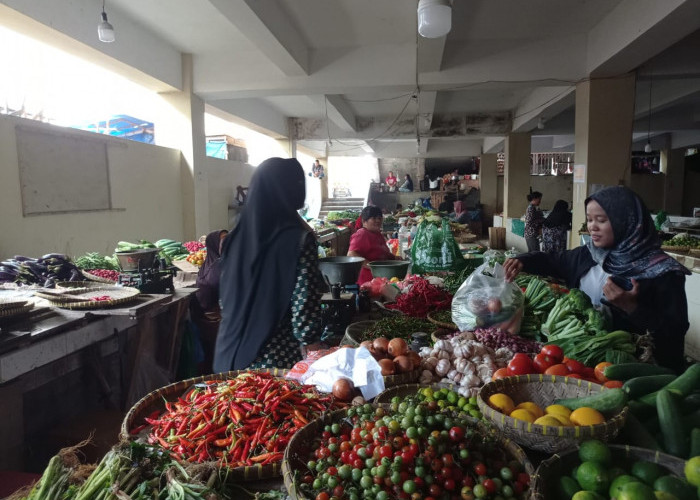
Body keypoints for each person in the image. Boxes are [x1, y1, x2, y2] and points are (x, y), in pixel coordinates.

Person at [503, 186, 690, 370]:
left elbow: (673, 333)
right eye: (589, 219)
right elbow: (552, 260)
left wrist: (632, 308)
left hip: (636, 372)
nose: (592, 226)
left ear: (625, 221)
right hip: (584, 364)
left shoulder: (663, 272)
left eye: (601, 220)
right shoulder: (590, 254)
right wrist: (522, 260)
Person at [214, 157, 325, 371]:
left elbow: (224, 302)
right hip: (273, 367)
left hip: (226, 359)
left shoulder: (234, 240)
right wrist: (316, 355)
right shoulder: (299, 242)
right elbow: (304, 311)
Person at [190, 229, 228, 373]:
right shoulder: (218, 268)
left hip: (204, 317)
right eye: (223, 241)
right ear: (214, 245)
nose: (226, 244)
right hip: (212, 319)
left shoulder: (210, 263)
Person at [347, 205, 397, 285]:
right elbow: (351, 254)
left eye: (380, 218)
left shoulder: (378, 234)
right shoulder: (362, 234)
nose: (378, 221)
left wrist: (395, 258)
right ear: (364, 221)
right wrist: (373, 267)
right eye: (374, 218)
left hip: (381, 279)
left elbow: (383, 253)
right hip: (368, 282)